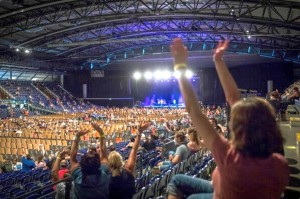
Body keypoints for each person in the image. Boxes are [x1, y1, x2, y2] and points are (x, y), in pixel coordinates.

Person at [167, 38, 289, 199]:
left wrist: (180, 66)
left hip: (224, 193)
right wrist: (218, 61)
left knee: (179, 185)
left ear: (240, 130)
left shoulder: (230, 158)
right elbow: (233, 99)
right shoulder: (279, 164)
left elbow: (193, 111)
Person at [92, 122, 149, 199]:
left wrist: (101, 133)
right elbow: (134, 150)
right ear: (121, 161)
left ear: (109, 164)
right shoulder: (128, 171)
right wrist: (139, 133)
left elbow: (103, 151)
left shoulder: (105, 180)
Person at [70, 126, 110, 199]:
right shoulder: (104, 173)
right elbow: (104, 154)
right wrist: (101, 133)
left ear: (81, 165)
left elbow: (72, 156)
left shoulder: (78, 176)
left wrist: (77, 136)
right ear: (99, 164)